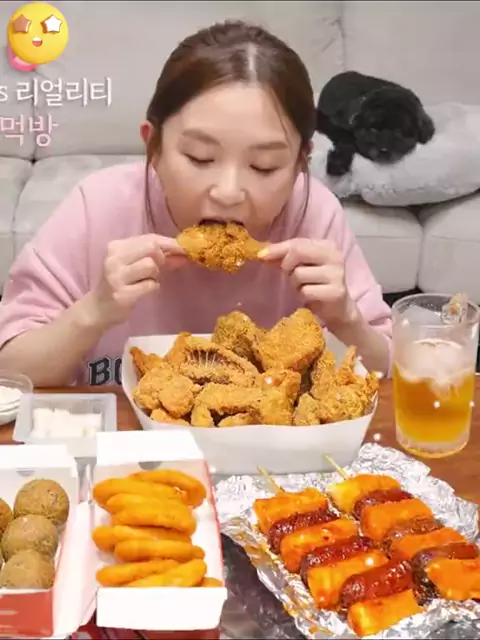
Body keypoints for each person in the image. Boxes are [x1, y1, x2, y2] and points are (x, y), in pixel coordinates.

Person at [0, 20, 393, 390]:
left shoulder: (314, 215)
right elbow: (10, 371)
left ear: (300, 163)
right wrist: (94, 311)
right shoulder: (97, 207)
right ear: (153, 147)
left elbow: (392, 374)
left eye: (264, 165)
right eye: (200, 158)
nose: (228, 192)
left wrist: (347, 319)